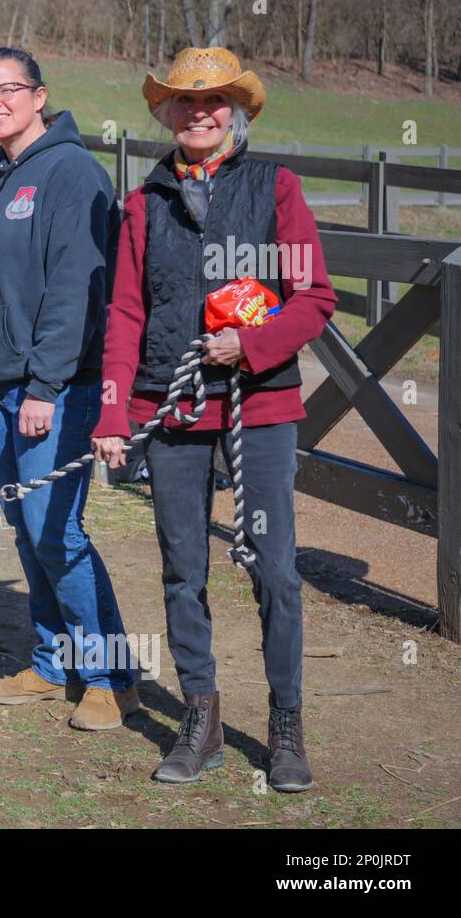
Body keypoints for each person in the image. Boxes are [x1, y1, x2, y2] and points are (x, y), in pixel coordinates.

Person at [91, 48, 337, 791]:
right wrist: (112, 413)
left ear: (236, 110)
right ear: (166, 113)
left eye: (214, 101)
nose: (199, 113)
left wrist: (249, 344)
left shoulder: (276, 188)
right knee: (180, 568)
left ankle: (286, 723)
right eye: (184, 102)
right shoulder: (143, 203)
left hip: (256, 404)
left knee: (274, 568)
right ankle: (200, 719)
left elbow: (314, 296)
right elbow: (126, 312)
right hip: (173, 404)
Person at [0, 49, 137, 730]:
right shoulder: (1, 174)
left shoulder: (72, 173)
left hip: (50, 390)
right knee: (26, 529)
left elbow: (77, 290)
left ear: (39, 95)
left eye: (7, 90)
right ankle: (53, 665)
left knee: (58, 531)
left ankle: (111, 674)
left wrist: (48, 386)